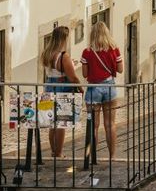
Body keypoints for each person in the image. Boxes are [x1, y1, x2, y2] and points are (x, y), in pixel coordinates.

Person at [81, 21, 123, 159]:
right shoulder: (114, 49)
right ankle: (112, 156)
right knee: (110, 124)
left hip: (94, 89)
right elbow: (120, 69)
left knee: (93, 125)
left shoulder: (87, 52)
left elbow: (85, 74)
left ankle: (92, 157)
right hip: (110, 87)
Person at [41, 26, 81, 158]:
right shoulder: (64, 56)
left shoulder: (46, 54)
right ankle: (59, 153)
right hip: (62, 89)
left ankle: (54, 151)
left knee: (52, 123)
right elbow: (72, 77)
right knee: (61, 123)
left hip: (48, 88)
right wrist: (80, 87)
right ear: (63, 39)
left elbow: (53, 70)